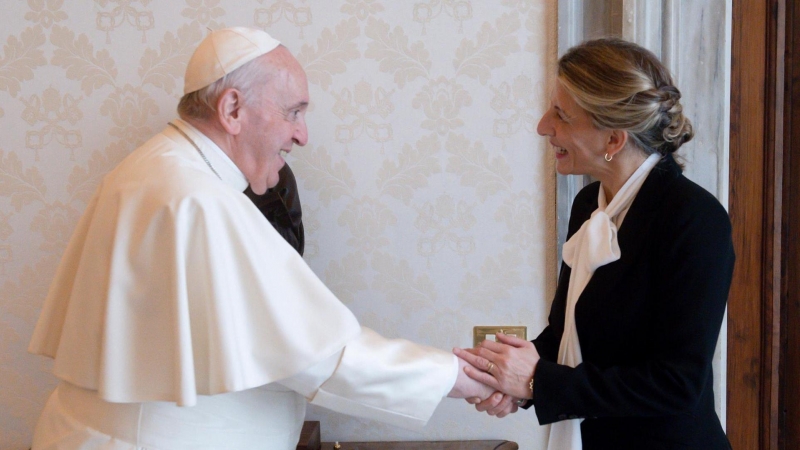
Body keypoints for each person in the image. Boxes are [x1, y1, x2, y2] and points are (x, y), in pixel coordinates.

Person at [28, 27, 493, 450]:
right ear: (232, 109)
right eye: (293, 112)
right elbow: (321, 355)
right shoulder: (200, 199)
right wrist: (461, 375)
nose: (302, 135)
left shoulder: (148, 171)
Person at [455, 37, 735, 449]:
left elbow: (677, 384)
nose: (542, 126)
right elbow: (566, 338)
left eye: (562, 116)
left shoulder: (695, 219)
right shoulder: (590, 202)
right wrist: (500, 376)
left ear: (613, 141)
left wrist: (535, 381)